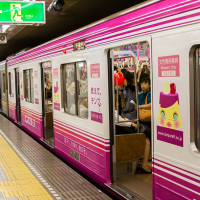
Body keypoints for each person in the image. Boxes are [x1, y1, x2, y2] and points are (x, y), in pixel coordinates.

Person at [133, 74, 151, 173]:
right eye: (142, 84)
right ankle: (144, 162)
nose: (143, 85)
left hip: (148, 121)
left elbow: (151, 105)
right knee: (145, 140)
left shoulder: (150, 94)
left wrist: (140, 107)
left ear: (149, 84)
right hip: (141, 119)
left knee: (146, 140)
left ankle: (144, 163)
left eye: (145, 83)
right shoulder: (140, 94)